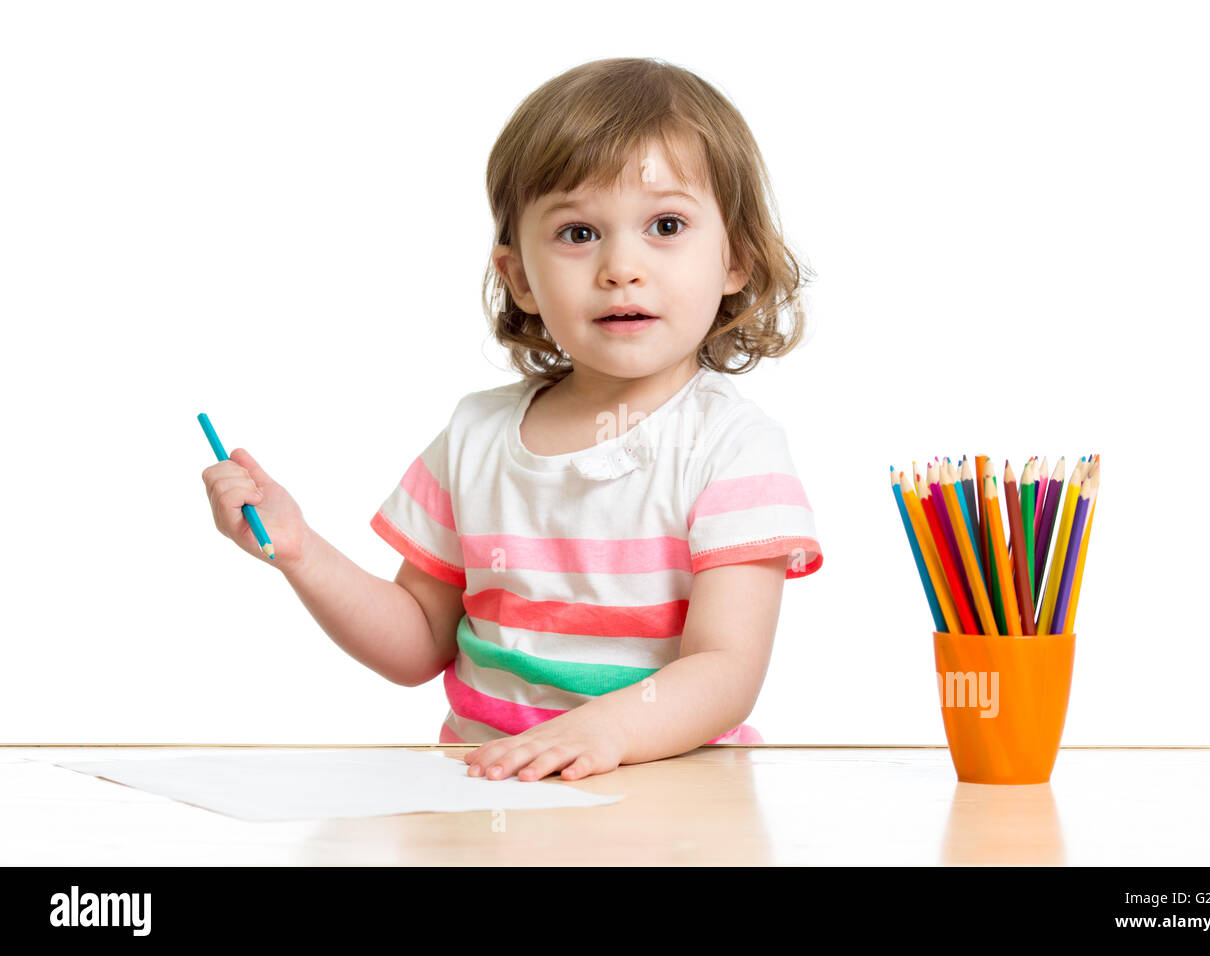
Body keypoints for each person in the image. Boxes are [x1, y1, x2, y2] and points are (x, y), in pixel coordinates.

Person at [201, 57, 824, 783]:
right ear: (520, 275)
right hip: (493, 802)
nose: (621, 266)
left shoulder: (733, 449)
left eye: (665, 224)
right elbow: (416, 645)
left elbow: (726, 669)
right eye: (578, 233)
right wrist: (300, 551)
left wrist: (604, 731)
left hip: (669, 803)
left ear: (735, 260)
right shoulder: (475, 439)